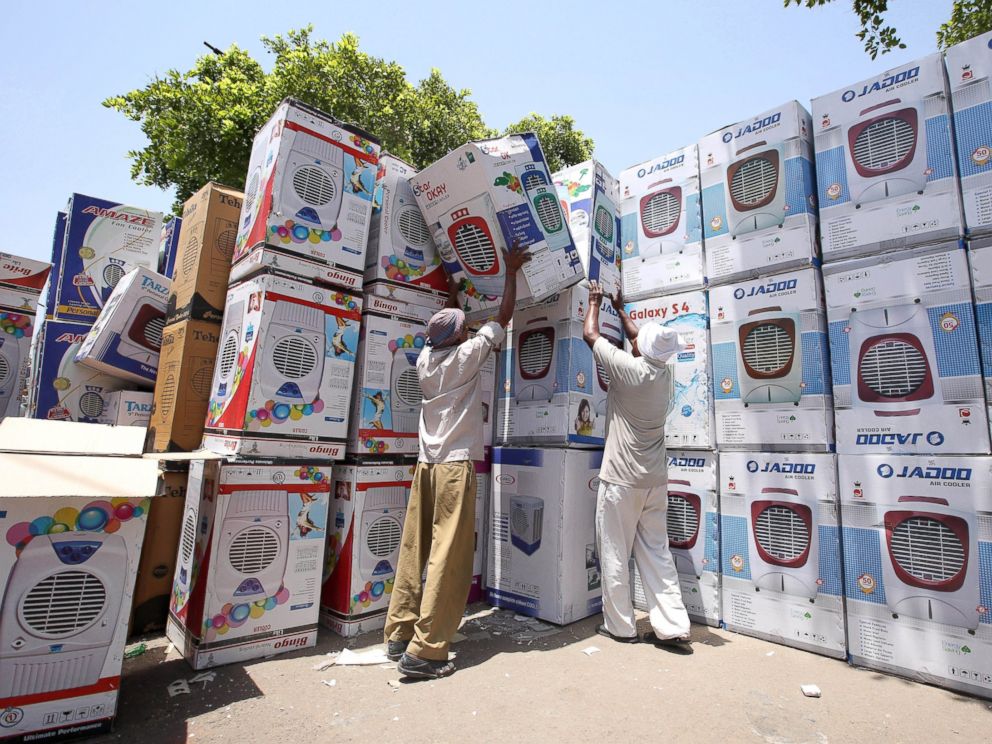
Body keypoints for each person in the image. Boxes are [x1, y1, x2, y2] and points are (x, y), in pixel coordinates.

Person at [384, 240, 531, 679]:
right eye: (465, 327)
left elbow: (446, 325)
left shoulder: (426, 358)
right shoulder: (467, 357)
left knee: (414, 548)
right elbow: (501, 319)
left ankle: (398, 633)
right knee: (449, 555)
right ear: (461, 337)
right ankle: (426, 651)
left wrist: (453, 284)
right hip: (453, 466)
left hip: (426, 465)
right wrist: (509, 271)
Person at [582, 280, 692, 651]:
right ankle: (673, 626)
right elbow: (638, 340)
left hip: (622, 480)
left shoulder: (628, 371)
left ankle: (621, 627)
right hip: (655, 481)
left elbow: (590, 334)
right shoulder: (664, 373)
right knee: (656, 552)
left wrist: (595, 301)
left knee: (614, 550)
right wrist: (621, 308)